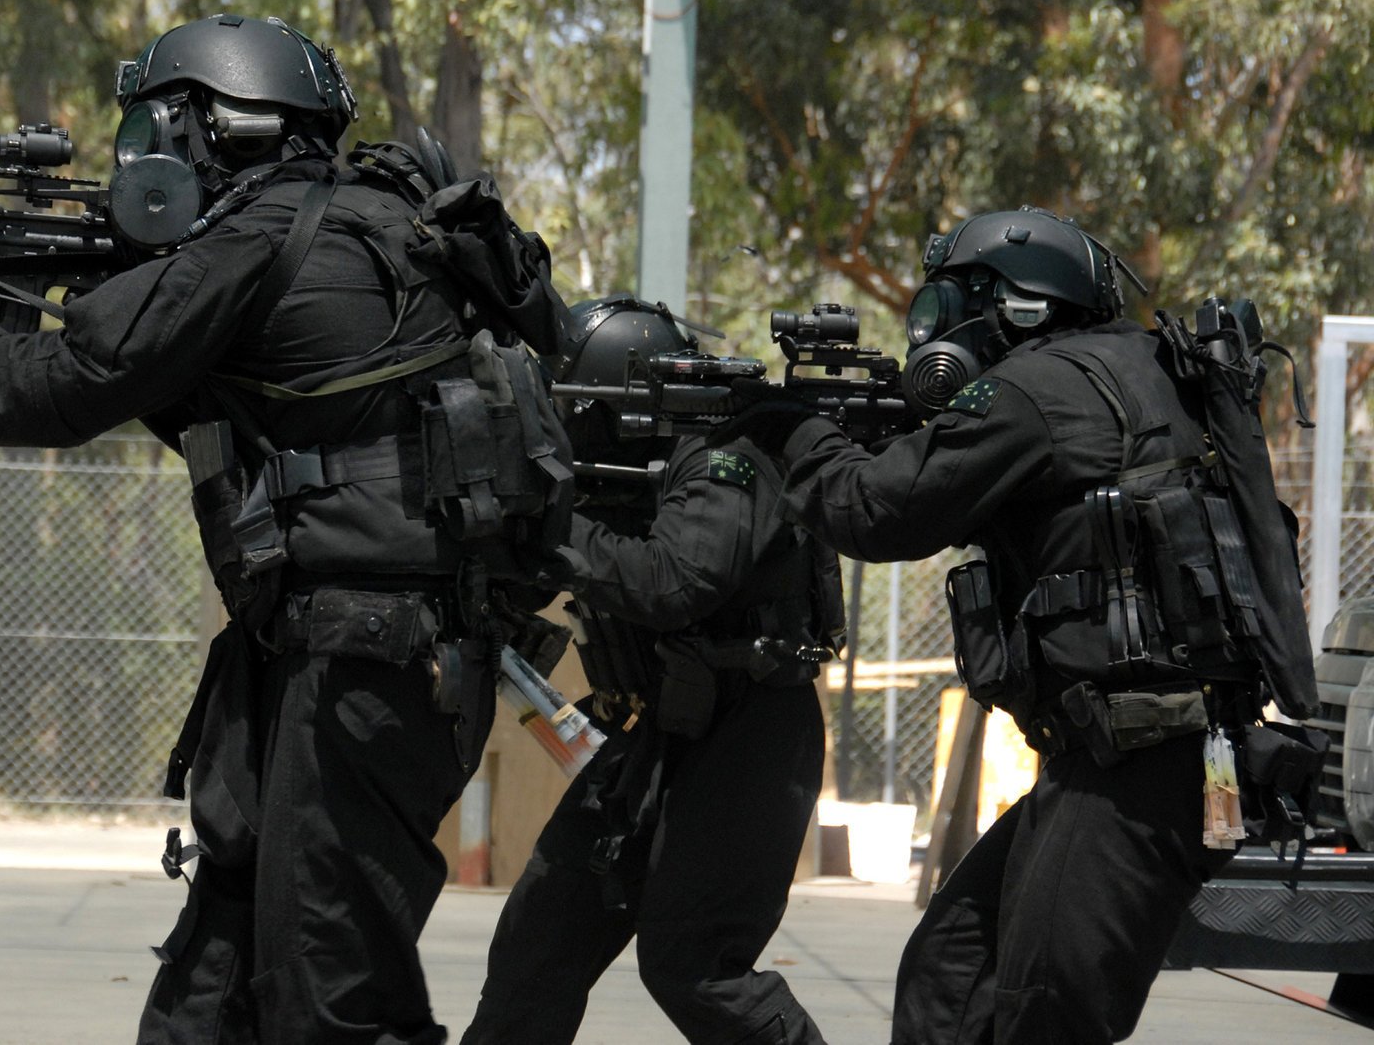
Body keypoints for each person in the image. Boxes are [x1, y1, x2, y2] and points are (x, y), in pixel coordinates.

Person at [0, 13, 569, 1044]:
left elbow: (72, 383)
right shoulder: (378, 220)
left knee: (332, 1004)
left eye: (154, 130)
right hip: (358, 659)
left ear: (208, 126)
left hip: (364, 665)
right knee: (213, 990)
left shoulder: (263, 238)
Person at [760, 207, 1311, 1045]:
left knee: (1044, 1018)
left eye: (951, 310)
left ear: (1017, 305)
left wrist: (792, 428)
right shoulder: (1142, 366)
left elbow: (874, 512)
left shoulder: (1033, 392)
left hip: (1137, 768)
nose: (940, 338)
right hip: (1146, 760)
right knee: (951, 978)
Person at [462, 298, 839, 1045]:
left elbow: (675, 579)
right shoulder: (622, 475)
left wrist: (553, 524)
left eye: (578, 408)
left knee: (696, 966)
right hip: (654, 731)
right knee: (538, 945)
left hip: (747, 734)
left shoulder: (728, 454)